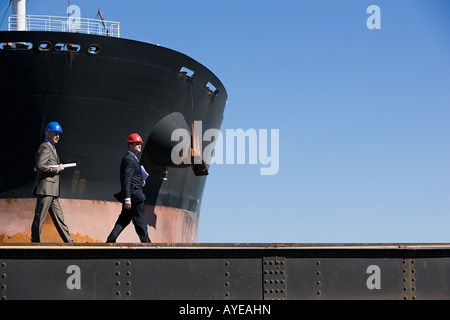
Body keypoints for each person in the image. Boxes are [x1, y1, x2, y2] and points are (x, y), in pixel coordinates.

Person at [31, 121, 74, 243]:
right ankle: (35, 242)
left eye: (59, 134)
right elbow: (40, 166)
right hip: (45, 189)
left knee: (59, 218)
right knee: (39, 218)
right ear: (48, 133)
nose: (58, 136)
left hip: (52, 190)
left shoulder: (52, 148)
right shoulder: (45, 147)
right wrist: (56, 169)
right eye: (55, 133)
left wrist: (56, 167)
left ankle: (70, 242)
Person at [107, 133, 151, 243]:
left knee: (123, 220)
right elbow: (126, 179)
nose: (140, 145)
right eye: (137, 143)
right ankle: (147, 244)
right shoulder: (129, 159)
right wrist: (127, 198)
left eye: (140, 143)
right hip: (134, 196)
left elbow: (131, 178)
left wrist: (140, 181)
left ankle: (111, 240)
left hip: (133, 194)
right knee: (141, 222)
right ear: (130, 145)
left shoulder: (133, 159)